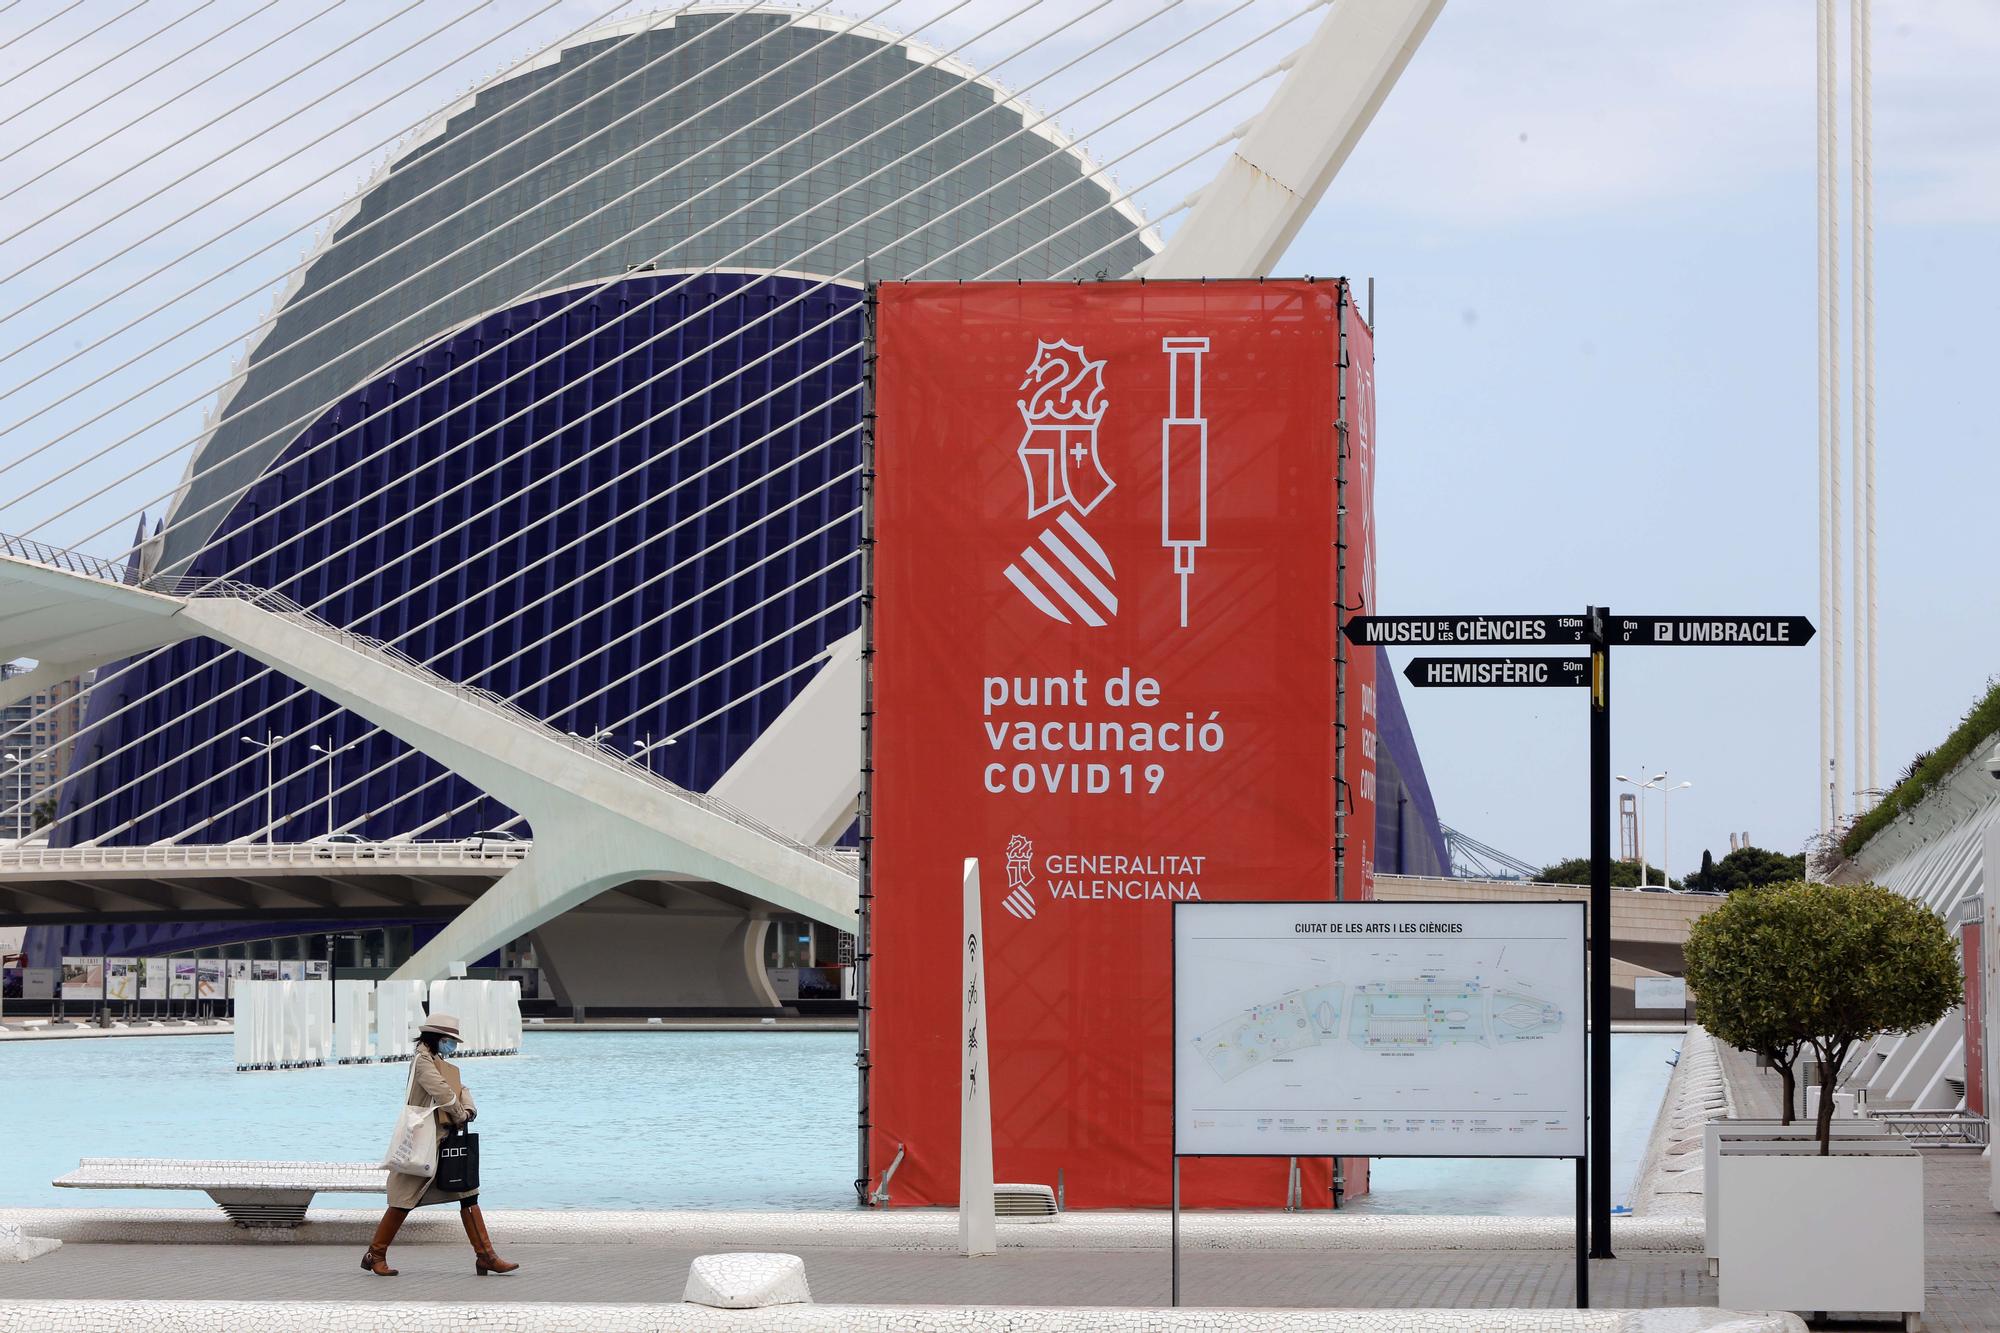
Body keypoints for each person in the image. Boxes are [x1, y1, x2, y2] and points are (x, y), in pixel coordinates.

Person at [361, 1013, 519, 1277]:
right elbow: (444, 1092)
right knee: (402, 1201)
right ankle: (374, 1254)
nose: (452, 1046)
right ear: (437, 1038)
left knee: (468, 1193)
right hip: (422, 1143)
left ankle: (486, 1256)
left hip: (441, 1141)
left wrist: (468, 1107)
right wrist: (460, 1114)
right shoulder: (423, 1061)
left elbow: (459, 1087)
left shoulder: (437, 1060)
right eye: (449, 1040)